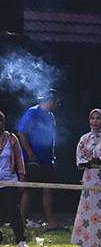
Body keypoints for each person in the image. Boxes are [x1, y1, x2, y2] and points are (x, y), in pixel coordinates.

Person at [71, 108, 101, 247]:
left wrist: (92, 160)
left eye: (98, 118)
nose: (95, 121)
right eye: (92, 118)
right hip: (89, 177)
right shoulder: (84, 138)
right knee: (87, 208)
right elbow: (80, 158)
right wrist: (91, 161)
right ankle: (86, 242)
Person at [18, 88, 61, 230]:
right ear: (50, 101)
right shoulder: (33, 112)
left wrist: (53, 158)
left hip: (47, 160)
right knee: (28, 190)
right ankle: (21, 222)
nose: (57, 107)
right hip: (33, 160)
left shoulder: (51, 116)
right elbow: (22, 133)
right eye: (57, 103)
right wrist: (30, 153)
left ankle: (51, 222)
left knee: (48, 190)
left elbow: (51, 139)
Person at [0, 110, 29, 247]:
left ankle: (21, 240)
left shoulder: (12, 138)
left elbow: (19, 159)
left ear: (3, 123)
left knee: (13, 209)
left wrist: (22, 177)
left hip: (10, 179)